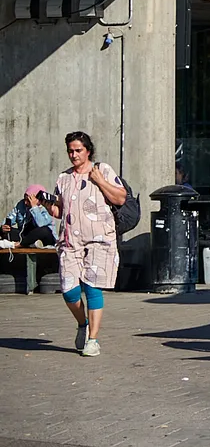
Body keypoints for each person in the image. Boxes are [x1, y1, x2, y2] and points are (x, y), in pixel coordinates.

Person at [51, 131, 128, 357]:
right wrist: (44, 203)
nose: (73, 155)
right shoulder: (63, 178)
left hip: (99, 240)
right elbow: (58, 210)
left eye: (78, 150)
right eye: (70, 151)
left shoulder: (102, 170)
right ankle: (82, 323)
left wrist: (100, 181)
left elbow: (120, 198)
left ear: (88, 151)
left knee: (92, 289)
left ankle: (93, 340)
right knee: (69, 291)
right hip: (70, 242)